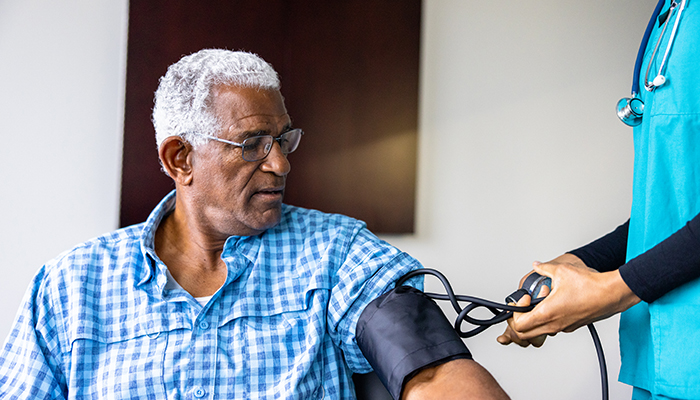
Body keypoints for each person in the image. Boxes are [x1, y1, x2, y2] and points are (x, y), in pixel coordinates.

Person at [0, 49, 509, 399]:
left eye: (284, 141)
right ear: (181, 159)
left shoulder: (337, 253)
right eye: (253, 145)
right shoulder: (70, 287)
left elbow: (432, 368)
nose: (281, 165)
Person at [498, 1, 700, 399]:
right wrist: (582, 263)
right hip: (663, 361)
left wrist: (612, 290)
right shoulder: (673, 16)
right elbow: (672, 211)